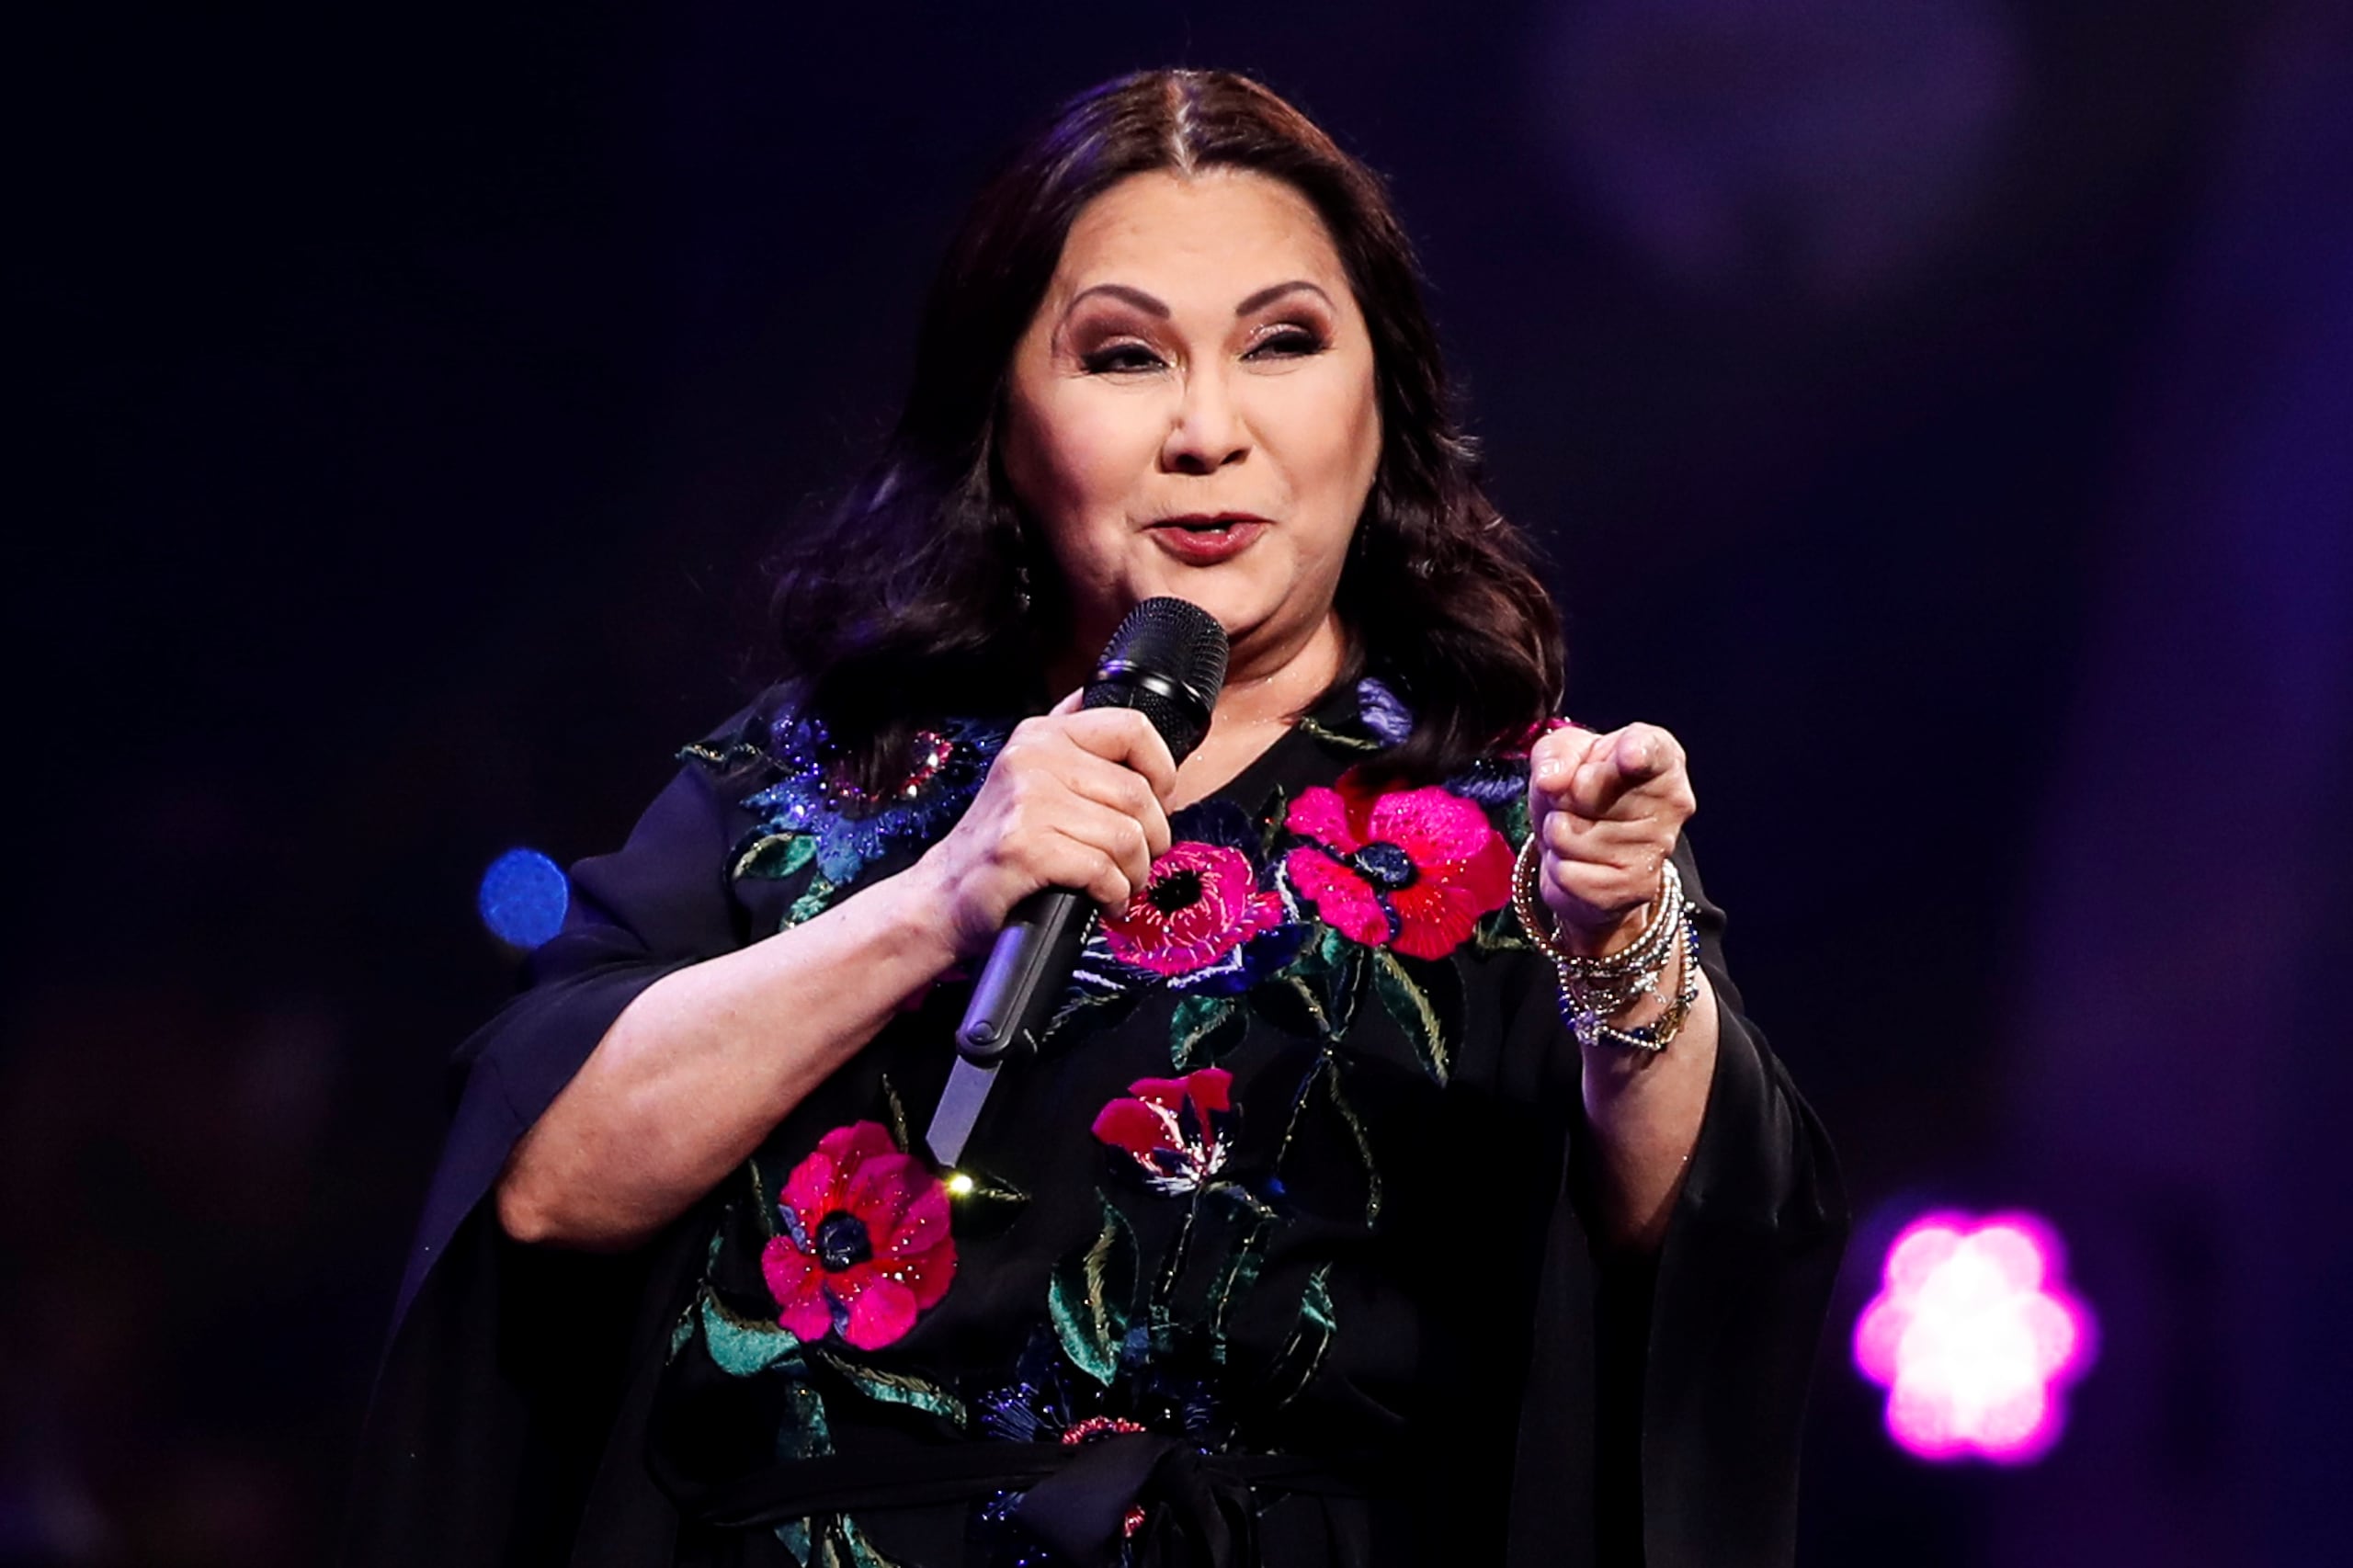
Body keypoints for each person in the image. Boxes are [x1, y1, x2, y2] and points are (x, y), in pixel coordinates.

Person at [348, 69, 1845, 1568]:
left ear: (1380, 403)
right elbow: (543, 1190)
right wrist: (935, 901)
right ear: (1004, 418)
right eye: (1125, 357)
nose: (1207, 427)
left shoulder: (1511, 809)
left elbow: (1705, 1252)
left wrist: (1625, 948)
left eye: (1282, 343)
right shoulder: (818, 785)